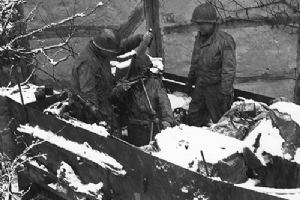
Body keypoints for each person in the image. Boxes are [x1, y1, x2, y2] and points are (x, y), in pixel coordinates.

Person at [71, 28, 149, 124]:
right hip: (95, 113)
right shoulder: (87, 64)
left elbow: (120, 48)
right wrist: (103, 122)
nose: (112, 54)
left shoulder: (101, 51)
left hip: (107, 101)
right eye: (109, 52)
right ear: (102, 49)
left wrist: (139, 38)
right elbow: (89, 100)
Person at [186, 3, 236, 127]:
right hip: (201, 86)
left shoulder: (224, 41)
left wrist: (224, 93)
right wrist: (190, 80)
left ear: (211, 23)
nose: (199, 27)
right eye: (197, 24)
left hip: (217, 90)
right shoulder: (199, 38)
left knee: (220, 124)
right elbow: (195, 61)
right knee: (193, 117)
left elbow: (229, 70)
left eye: (201, 24)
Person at [111, 54, 175, 147]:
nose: (145, 73)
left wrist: (167, 120)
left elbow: (164, 103)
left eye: (146, 70)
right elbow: (113, 101)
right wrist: (120, 90)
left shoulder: (154, 83)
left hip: (151, 126)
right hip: (133, 127)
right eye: (142, 70)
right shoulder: (127, 84)